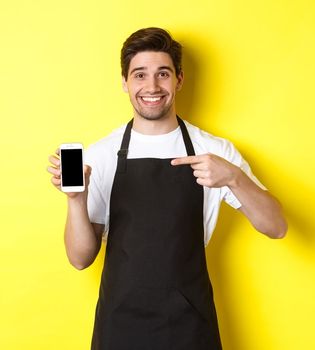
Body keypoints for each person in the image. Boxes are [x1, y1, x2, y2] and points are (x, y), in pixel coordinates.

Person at [46, 27, 287, 349]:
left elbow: (276, 227)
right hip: (120, 323)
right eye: (140, 75)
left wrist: (234, 178)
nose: (152, 86)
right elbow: (80, 259)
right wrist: (76, 200)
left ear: (179, 80)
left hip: (190, 323)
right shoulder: (101, 155)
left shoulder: (212, 150)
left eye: (163, 73)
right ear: (125, 83)